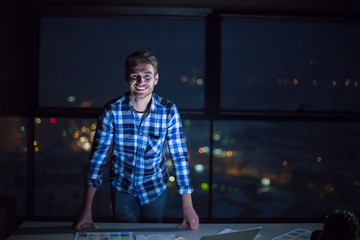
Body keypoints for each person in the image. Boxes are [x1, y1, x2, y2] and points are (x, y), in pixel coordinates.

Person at [72, 50, 199, 230]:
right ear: (126, 78)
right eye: (135, 76)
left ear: (156, 79)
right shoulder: (111, 111)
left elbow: (179, 158)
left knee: (152, 236)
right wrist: (86, 209)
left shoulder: (169, 110)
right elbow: (97, 158)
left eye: (147, 76)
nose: (141, 82)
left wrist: (188, 207)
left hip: (155, 189)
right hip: (122, 189)